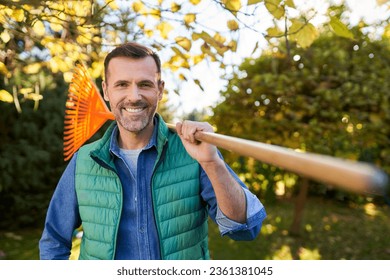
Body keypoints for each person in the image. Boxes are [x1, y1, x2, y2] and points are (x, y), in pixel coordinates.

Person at [39, 42, 266, 260]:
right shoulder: (84, 161)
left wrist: (212, 163)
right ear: (106, 91)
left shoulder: (194, 153)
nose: (134, 96)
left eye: (145, 84)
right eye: (122, 84)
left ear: (160, 90)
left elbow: (245, 229)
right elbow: (54, 242)